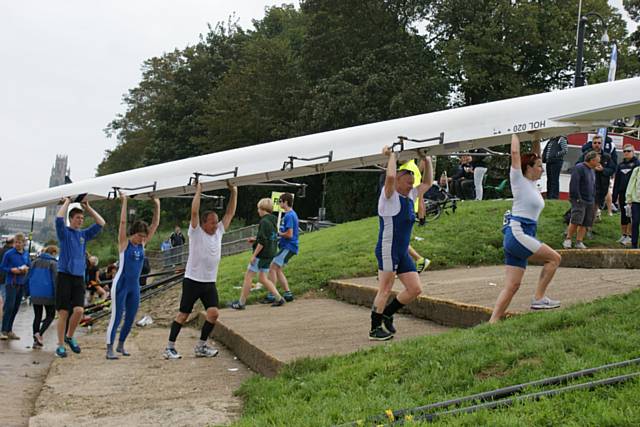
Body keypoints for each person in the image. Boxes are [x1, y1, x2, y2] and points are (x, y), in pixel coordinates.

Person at [490, 134, 562, 323]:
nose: (542, 169)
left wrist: (537, 136)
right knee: (554, 258)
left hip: (522, 234)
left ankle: (492, 322)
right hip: (518, 232)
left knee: (512, 285)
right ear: (528, 167)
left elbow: (535, 153)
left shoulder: (532, 184)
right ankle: (538, 299)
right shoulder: (518, 179)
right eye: (539, 166)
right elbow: (515, 152)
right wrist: (516, 131)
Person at [163, 180, 237, 360]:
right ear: (203, 223)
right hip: (193, 281)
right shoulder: (195, 232)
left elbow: (229, 213)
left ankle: (201, 346)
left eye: (215, 222)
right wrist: (199, 191)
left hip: (209, 282)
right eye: (212, 222)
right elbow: (194, 212)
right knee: (183, 315)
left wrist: (234, 192)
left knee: (213, 314)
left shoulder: (219, 232)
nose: (215, 224)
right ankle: (169, 347)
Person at [370, 146, 432, 341]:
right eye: (407, 181)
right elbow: (389, 178)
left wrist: (427, 159)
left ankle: (388, 313)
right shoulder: (388, 197)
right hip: (387, 249)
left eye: (412, 181)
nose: (411, 184)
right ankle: (374, 329)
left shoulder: (410, 196)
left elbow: (428, 182)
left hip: (402, 251)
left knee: (415, 289)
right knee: (385, 288)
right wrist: (392, 156)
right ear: (397, 180)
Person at [105, 192, 160, 359]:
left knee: (130, 317)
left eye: (144, 236)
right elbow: (122, 223)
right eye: (139, 235)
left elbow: (155, 225)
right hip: (120, 284)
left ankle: (121, 344)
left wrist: (156, 204)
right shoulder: (124, 243)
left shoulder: (142, 245)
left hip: (134, 286)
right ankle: (109, 349)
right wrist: (124, 202)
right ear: (133, 233)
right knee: (116, 316)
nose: (142, 238)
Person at [55, 198, 105, 358]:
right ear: (71, 219)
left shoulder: (83, 235)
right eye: (78, 218)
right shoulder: (64, 233)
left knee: (79, 310)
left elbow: (101, 223)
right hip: (64, 276)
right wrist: (67, 202)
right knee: (63, 312)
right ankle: (60, 345)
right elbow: (58, 219)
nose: (80, 221)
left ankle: (69, 337)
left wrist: (87, 207)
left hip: (78, 277)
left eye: (82, 219)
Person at [229, 198, 283, 310]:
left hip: (261, 255)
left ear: (262, 209)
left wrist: (254, 255)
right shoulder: (273, 221)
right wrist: (255, 239)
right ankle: (279, 298)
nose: (258, 210)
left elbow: (262, 242)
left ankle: (241, 303)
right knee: (263, 278)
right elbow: (269, 237)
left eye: (258, 208)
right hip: (271, 253)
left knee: (248, 277)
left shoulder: (264, 221)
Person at [266, 192, 299, 303]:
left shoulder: (289, 215)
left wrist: (279, 234)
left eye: (280, 201)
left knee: (272, 267)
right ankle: (287, 293)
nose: (279, 203)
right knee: (278, 269)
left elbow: (289, 234)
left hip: (289, 246)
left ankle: (272, 294)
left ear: (286, 202)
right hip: (288, 246)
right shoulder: (290, 214)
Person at [563, 151, 599, 249]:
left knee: (585, 223)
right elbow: (574, 183)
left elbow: (593, 185)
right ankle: (568, 239)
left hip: (590, 200)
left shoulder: (592, 170)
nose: (598, 163)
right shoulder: (579, 167)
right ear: (591, 160)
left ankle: (579, 241)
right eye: (597, 161)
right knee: (575, 220)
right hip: (579, 200)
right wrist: (577, 198)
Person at [0, 233, 31, 340]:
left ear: (24, 243)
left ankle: (9, 330)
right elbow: (3, 267)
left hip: (21, 283)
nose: (18, 244)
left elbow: (29, 265)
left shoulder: (26, 254)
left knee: (16, 308)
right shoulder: (9, 253)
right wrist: (11, 270)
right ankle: (3, 330)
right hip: (11, 282)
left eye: (20, 242)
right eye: (16, 242)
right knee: (9, 306)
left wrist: (26, 269)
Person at [579, 135, 616, 220]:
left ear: (601, 144)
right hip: (587, 186)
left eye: (599, 143)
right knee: (584, 208)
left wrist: (603, 170)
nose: (597, 144)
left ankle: (590, 228)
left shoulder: (607, 156)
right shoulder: (586, 155)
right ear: (592, 144)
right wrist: (591, 167)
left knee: (595, 208)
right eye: (595, 143)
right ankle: (580, 226)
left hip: (601, 187)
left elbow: (612, 169)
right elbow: (578, 165)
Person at [28, 245, 58, 348]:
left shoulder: (34, 262)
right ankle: (40, 334)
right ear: (53, 253)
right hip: (48, 294)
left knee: (37, 316)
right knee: (50, 315)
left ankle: (35, 340)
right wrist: (57, 294)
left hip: (35, 293)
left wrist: (28, 292)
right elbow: (55, 280)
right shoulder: (53, 263)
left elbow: (29, 276)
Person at [612, 145, 640, 246]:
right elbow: (617, 181)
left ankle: (630, 235)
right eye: (624, 151)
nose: (626, 153)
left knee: (631, 215)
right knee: (623, 214)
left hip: (633, 194)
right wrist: (614, 196)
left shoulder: (637, 164)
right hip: (622, 192)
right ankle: (623, 234)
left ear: (634, 152)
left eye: (628, 151)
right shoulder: (620, 165)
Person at [625, 158, 640, 248]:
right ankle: (634, 244)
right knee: (635, 222)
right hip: (636, 201)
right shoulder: (637, 170)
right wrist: (629, 199)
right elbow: (631, 184)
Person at [0, 237, 14, 329]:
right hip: (6, 278)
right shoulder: (11, 253)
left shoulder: (1, 251)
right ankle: (3, 325)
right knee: (5, 302)